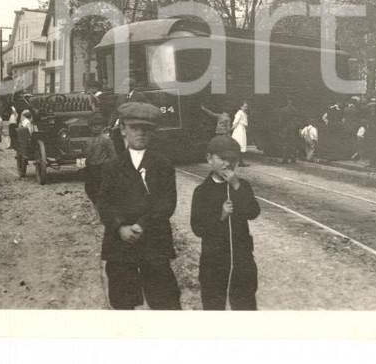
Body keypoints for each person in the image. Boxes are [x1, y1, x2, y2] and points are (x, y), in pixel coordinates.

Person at [97, 102, 181, 310]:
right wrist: (119, 227)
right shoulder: (113, 166)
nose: (140, 133)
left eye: (146, 129)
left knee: (165, 302)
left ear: (153, 132)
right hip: (120, 244)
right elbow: (104, 203)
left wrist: (142, 225)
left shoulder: (162, 165)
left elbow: (167, 203)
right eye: (134, 128)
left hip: (154, 240)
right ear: (123, 129)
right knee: (122, 302)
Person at [190, 136, 261, 310]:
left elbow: (253, 212)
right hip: (213, 261)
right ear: (209, 158)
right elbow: (197, 228)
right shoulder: (202, 191)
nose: (228, 164)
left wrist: (236, 185)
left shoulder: (241, 186)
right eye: (222, 159)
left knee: (245, 303)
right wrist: (220, 216)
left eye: (233, 160)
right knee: (213, 304)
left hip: (241, 258)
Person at [84, 113, 116, 209]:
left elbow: (113, 155)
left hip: (102, 168)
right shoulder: (89, 140)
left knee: (103, 192)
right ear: (90, 127)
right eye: (93, 126)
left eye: (98, 126)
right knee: (91, 191)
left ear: (102, 127)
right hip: (92, 169)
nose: (96, 128)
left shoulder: (106, 139)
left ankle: (104, 213)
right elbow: (87, 155)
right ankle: (97, 211)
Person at [278, 96, 300, 164]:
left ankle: (285, 159)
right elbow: (297, 120)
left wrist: (280, 129)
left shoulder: (283, 109)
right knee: (293, 144)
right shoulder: (295, 110)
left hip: (286, 129)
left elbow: (280, 120)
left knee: (285, 144)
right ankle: (293, 159)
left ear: (287, 102)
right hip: (293, 130)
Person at [231, 102, 250, 166]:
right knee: (239, 144)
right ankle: (238, 161)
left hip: (242, 129)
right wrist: (232, 129)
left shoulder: (244, 113)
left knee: (241, 145)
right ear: (241, 106)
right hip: (239, 130)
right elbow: (236, 122)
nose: (246, 108)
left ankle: (240, 161)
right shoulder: (239, 113)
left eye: (246, 107)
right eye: (244, 106)